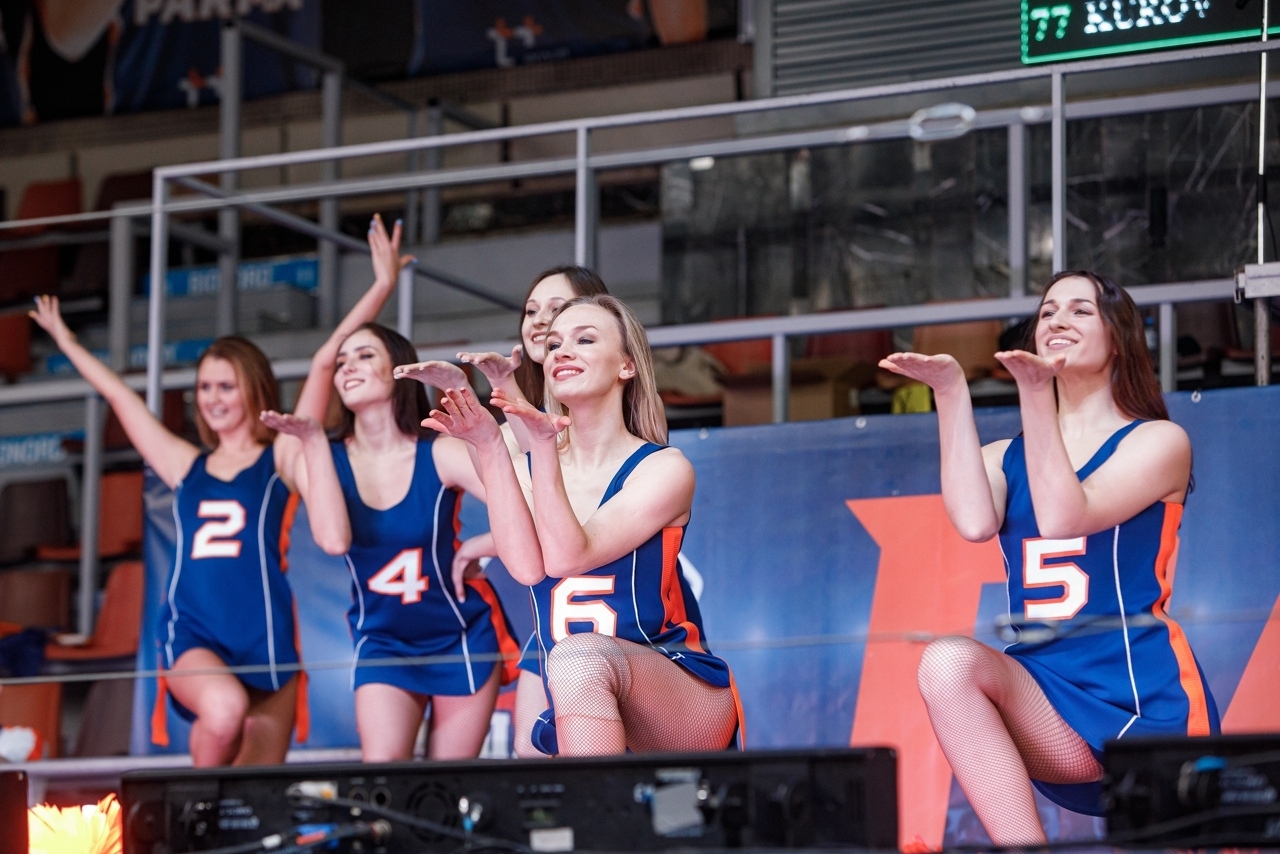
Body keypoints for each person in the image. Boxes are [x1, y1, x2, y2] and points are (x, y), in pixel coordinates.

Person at [880, 270, 1218, 844]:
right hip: (1047, 694)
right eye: (1048, 311)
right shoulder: (1002, 455)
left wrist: (1037, 394)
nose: (1059, 320)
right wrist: (950, 392)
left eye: (1080, 310)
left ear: (1119, 337)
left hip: (1141, 695)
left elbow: (1066, 515)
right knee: (947, 663)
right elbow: (973, 523)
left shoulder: (1159, 442)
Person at [418, 294, 740, 757]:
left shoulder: (665, 467)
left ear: (627, 365)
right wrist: (488, 446)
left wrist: (543, 447)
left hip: (677, 686)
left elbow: (569, 557)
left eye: (584, 340)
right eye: (553, 345)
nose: (562, 352)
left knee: (576, 657)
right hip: (576, 678)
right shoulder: (528, 466)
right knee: (538, 739)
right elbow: (526, 568)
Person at [29, 297, 346, 767]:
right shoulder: (185, 465)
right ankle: (195, 797)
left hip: (266, 636)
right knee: (223, 709)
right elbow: (120, 396)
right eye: (204, 387)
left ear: (254, 389)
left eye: (226, 386)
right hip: (195, 631)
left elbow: (321, 366)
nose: (212, 398)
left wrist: (382, 285)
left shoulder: (279, 458)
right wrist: (66, 340)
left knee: (253, 790)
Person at [284, 215, 517, 762]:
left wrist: (483, 546)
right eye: (343, 361)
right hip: (384, 643)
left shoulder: (441, 451)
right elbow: (333, 541)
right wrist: (381, 285)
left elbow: (530, 505)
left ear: (399, 370)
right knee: (382, 776)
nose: (346, 367)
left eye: (365, 355)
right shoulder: (318, 456)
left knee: (445, 788)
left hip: (460, 633)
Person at [395, 265, 607, 755]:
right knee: (532, 755)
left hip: (629, 619)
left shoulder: (608, 419)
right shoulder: (511, 430)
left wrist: (479, 544)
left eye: (556, 309)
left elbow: (570, 519)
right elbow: (521, 513)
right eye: (531, 311)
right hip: (554, 620)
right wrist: (466, 396)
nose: (539, 321)